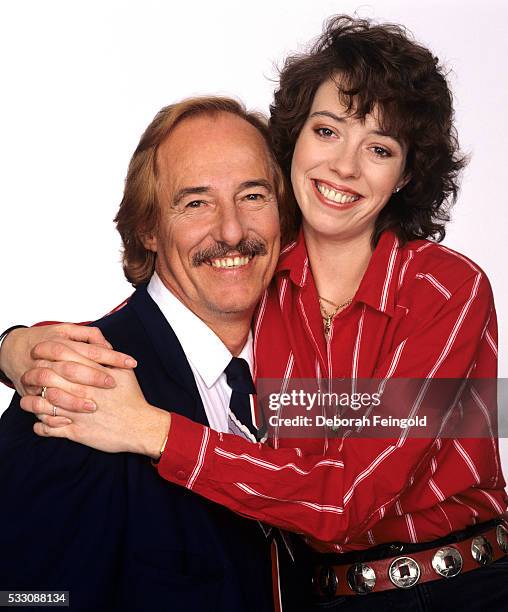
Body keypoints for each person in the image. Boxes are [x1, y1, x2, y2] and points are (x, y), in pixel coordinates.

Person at [2, 15, 507, 611]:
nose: (345, 166)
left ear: (406, 173)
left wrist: (153, 431)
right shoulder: (267, 277)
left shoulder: (443, 289)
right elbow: (152, 311)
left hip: (459, 590)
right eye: (327, 131)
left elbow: (347, 500)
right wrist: (18, 345)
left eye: (378, 147)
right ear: (294, 142)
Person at [0, 97, 283, 612]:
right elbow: (27, 598)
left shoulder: (317, 364)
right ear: (148, 228)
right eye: (195, 202)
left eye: (253, 195)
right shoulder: (76, 386)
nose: (233, 231)